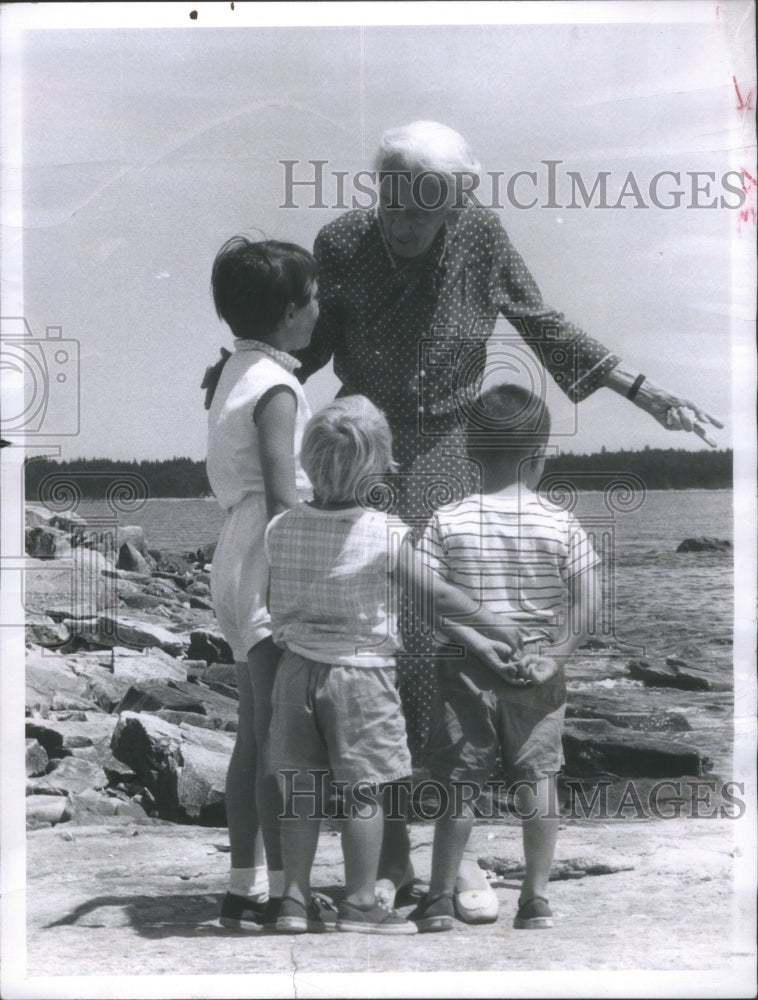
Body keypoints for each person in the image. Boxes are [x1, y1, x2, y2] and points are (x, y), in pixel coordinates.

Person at [292, 120, 722, 919]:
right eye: (391, 205)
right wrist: (256, 374)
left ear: (456, 206)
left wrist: (641, 389)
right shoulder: (341, 242)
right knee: (379, 639)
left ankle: (456, 858)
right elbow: (311, 345)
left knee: (449, 648)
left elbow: (539, 318)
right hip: (370, 444)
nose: (402, 224)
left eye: (422, 211)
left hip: (455, 445)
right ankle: (391, 856)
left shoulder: (483, 236)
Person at [264, 396, 520, 935]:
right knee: (366, 792)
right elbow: (436, 595)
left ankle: (291, 898)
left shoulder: (281, 526)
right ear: (378, 468)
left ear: (308, 462)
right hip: (360, 677)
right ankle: (360, 903)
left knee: (303, 791)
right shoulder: (386, 532)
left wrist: (470, 639)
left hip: (294, 673)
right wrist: (493, 625)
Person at [410, 382, 601, 932]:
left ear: (470, 453)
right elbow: (589, 599)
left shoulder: (448, 518)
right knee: (538, 780)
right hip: (536, 667)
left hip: (466, 668)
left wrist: (473, 640)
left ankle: (441, 898)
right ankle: (535, 899)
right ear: (539, 458)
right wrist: (557, 656)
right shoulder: (559, 520)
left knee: (459, 785)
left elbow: (425, 599)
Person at [204, 235, 319, 930]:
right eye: (312, 299)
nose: (319, 309)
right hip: (268, 553)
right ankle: (284, 894)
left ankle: (241, 886)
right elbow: (283, 496)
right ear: (288, 314)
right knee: (280, 737)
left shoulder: (231, 372)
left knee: (253, 730)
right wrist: (304, 581)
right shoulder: (279, 385)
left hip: (232, 552)